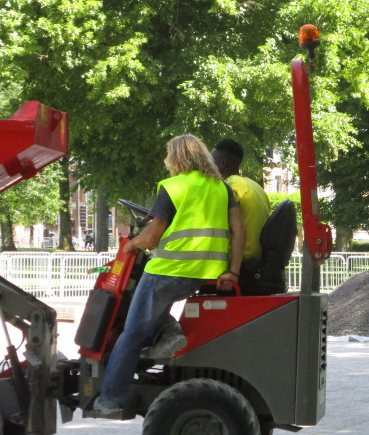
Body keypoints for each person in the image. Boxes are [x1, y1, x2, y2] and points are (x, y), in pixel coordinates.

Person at [92, 135, 245, 418]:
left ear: (176, 158)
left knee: (132, 332)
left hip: (167, 271)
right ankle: (167, 331)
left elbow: (152, 236)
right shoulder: (222, 188)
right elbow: (239, 230)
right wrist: (232, 271)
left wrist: (131, 244)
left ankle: (110, 399)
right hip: (203, 273)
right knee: (147, 313)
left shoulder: (172, 187)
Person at [211, 138, 272, 266]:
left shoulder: (229, 187)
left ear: (222, 163)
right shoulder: (255, 187)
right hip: (257, 260)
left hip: (238, 262)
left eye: (211, 162)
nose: (207, 167)